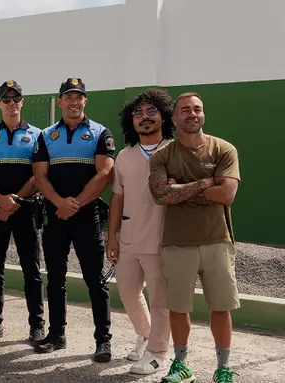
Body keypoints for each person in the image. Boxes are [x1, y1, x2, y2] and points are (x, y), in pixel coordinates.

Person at [148, 92, 241, 383]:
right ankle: (180, 364)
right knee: (179, 308)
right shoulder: (163, 155)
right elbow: (160, 195)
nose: (192, 113)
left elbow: (226, 194)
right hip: (177, 243)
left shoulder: (223, 149)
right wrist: (204, 184)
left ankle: (223, 368)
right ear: (174, 119)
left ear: (203, 115)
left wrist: (182, 191)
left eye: (197, 109)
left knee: (221, 307)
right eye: (185, 110)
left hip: (218, 240)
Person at [32, 78, 114, 362]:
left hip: (86, 214)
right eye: (68, 97)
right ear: (60, 102)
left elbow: (105, 174)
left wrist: (75, 204)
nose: (74, 102)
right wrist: (59, 204)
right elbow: (40, 176)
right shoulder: (46, 136)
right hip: (56, 215)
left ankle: (103, 340)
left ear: (85, 101)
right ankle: (56, 334)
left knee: (96, 280)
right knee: (55, 278)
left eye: (79, 97)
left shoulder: (100, 132)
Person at [107, 89, 174, 375]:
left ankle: (158, 353)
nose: (144, 118)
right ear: (129, 122)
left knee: (161, 299)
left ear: (163, 115)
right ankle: (147, 336)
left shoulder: (175, 150)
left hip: (162, 239)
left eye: (151, 111)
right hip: (130, 238)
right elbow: (117, 198)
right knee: (128, 292)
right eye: (137, 113)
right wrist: (112, 236)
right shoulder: (124, 155)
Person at [0, 80, 45, 346]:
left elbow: (39, 176)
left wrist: (14, 201)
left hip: (25, 211)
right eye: (6, 99)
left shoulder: (39, 135)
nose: (12, 104)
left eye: (16, 99)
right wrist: (0, 201)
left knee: (32, 271)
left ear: (22, 102)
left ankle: (37, 325)